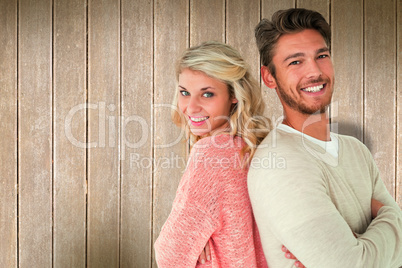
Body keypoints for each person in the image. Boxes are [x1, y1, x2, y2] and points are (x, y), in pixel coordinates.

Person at [248, 8, 402, 268]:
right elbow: (353, 265)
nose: (315, 72)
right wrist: (392, 217)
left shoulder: (356, 151)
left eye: (322, 55)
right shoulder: (278, 163)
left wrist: (366, 242)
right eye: (295, 62)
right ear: (269, 77)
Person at [154, 41, 270, 267]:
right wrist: (198, 236)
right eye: (185, 93)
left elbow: (170, 254)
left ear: (234, 95)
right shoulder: (253, 147)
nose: (191, 107)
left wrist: (191, 241)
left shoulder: (211, 153)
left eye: (207, 94)